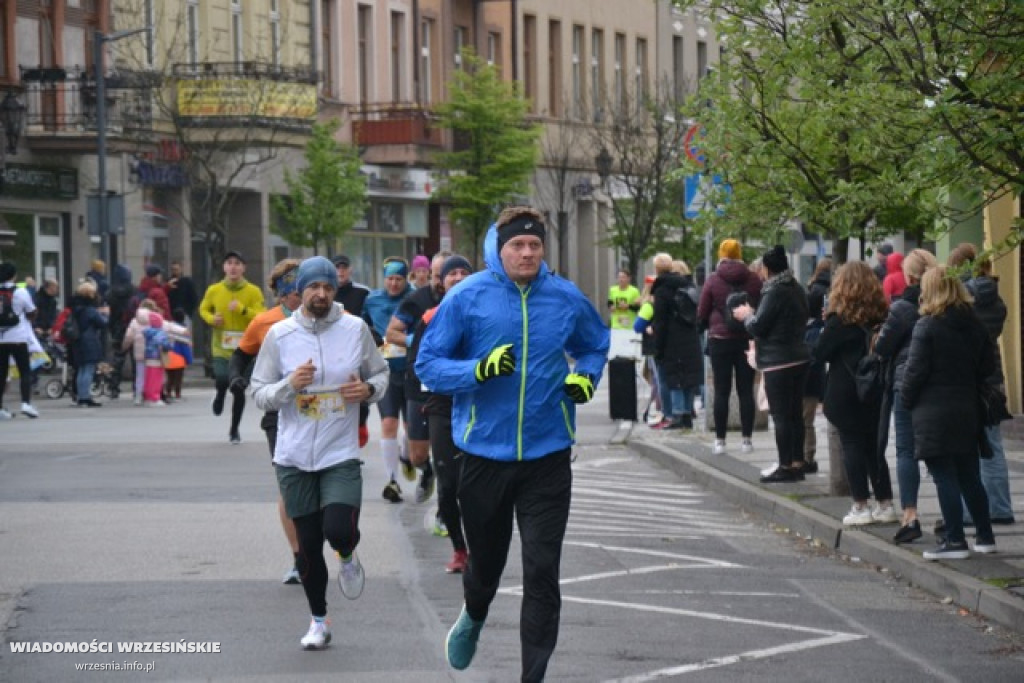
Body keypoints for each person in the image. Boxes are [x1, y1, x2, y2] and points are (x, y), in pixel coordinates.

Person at [415, 206, 610, 681]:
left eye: (534, 245)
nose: (526, 253)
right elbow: (428, 364)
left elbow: (594, 345)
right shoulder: (466, 297)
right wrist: (477, 371)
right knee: (486, 569)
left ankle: (533, 677)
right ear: (498, 249)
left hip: (548, 457)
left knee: (543, 571)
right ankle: (474, 614)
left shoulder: (564, 298)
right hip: (484, 455)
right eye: (517, 245)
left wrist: (584, 378)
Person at [250, 256, 389, 650]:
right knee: (308, 546)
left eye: (328, 287)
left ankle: (346, 552)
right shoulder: (280, 335)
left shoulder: (355, 329)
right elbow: (259, 393)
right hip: (293, 455)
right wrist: (289, 385)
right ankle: (318, 620)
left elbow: (380, 373)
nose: (321, 294)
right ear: (300, 291)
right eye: (314, 287)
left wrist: (368, 391)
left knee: (338, 530)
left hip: (339, 451)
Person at [902, 266, 996, 560]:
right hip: (967, 408)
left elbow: (914, 371)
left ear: (928, 291)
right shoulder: (974, 324)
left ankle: (954, 540)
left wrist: (906, 400)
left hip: (933, 410)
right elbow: (988, 367)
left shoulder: (927, 326)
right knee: (970, 474)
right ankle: (985, 535)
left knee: (944, 475)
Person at [230, 258, 305, 585]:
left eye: (304, 286)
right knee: (289, 486)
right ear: (279, 292)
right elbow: (241, 354)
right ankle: (299, 558)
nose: (299, 295)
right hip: (278, 412)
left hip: (322, 411)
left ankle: (338, 543)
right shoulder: (265, 323)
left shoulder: (331, 316)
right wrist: (235, 378)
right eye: (291, 290)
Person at [813, 261, 897, 524]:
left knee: (851, 446)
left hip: (845, 390)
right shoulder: (882, 316)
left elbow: (820, 352)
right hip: (874, 389)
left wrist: (824, 324)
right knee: (874, 448)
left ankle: (860, 505)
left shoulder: (839, 321)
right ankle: (885, 504)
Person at [408, 254, 474, 572]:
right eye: (452, 274)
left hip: (479, 402)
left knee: (477, 482)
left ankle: (481, 545)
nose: (458, 277)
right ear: (441, 281)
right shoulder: (430, 317)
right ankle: (460, 549)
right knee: (448, 481)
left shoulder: (487, 314)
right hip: (441, 404)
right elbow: (417, 363)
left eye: (465, 272)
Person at [949, 243, 1014, 527]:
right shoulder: (997, 302)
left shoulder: (962, 302)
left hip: (966, 380)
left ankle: (967, 512)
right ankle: (1000, 507)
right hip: (993, 379)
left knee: (965, 448)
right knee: (994, 446)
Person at [733, 245, 811, 483]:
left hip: (778, 361)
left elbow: (759, 326)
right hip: (799, 356)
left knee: (780, 416)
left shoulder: (774, 291)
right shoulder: (796, 287)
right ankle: (798, 462)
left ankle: (785, 465)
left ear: (767, 268)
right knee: (795, 414)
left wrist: (747, 315)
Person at [874, 248, 937, 543]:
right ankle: (953, 517)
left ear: (909, 276)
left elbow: (883, 347)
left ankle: (910, 513)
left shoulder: (902, 309)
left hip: (904, 383)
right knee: (940, 451)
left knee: (905, 449)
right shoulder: (943, 304)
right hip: (938, 384)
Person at [385, 251, 450, 503]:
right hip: (420, 382)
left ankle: (447, 510)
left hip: (455, 383)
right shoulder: (416, 300)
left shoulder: (467, 297)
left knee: (451, 452)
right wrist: (414, 339)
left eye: (444, 276)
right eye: (435, 276)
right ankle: (427, 471)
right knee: (418, 456)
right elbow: (392, 333)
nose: (439, 281)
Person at [696, 238, 762, 455]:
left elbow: (702, 310)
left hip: (720, 341)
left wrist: (710, 326)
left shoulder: (713, 279)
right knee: (745, 391)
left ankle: (720, 441)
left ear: (721, 253)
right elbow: (760, 307)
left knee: (722, 391)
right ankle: (747, 440)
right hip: (746, 339)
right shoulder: (753, 279)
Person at [199, 250, 265, 444]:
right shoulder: (214, 290)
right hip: (221, 346)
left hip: (245, 349)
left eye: (237, 263)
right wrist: (212, 318)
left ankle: (234, 430)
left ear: (243, 268)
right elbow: (203, 309)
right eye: (229, 263)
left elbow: (261, 315)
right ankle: (219, 394)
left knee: (238, 388)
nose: (233, 267)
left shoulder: (253, 291)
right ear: (224, 267)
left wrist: (243, 310)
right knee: (221, 377)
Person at [362, 258, 414, 502]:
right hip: (387, 372)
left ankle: (406, 455)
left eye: (399, 279)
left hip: (413, 371)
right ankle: (392, 480)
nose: (394, 283)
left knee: (411, 430)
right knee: (389, 424)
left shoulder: (415, 298)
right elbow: (364, 327)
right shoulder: (372, 299)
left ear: (406, 279)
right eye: (390, 278)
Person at [649, 255, 702, 430]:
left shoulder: (662, 290)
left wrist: (658, 347)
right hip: (690, 337)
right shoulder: (687, 285)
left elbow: (661, 322)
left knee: (674, 377)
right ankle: (686, 414)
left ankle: (678, 414)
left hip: (672, 340)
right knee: (687, 377)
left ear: (657, 269)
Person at [801, 258, 832, 473]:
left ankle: (804, 457)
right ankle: (807, 456)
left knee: (803, 417)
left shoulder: (811, 292)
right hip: (821, 361)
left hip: (809, 352)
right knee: (808, 415)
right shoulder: (834, 292)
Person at [0, 262, 40, 419]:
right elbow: (31, 311)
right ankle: (26, 403)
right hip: (18, 336)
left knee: (1, 373)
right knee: (24, 370)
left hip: (0, 339)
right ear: (13, 276)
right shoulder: (20, 292)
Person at [69, 280, 109, 408]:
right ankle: (86, 397)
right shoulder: (90, 310)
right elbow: (102, 323)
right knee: (89, 369)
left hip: (77, 340)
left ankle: (81, 396)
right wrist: (106, 314)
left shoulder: (75, 308)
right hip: (89, 341)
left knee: (81, 369)